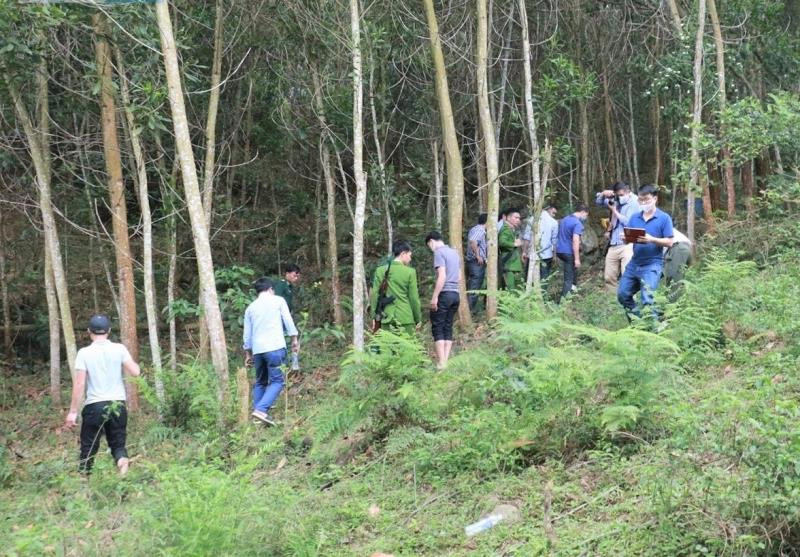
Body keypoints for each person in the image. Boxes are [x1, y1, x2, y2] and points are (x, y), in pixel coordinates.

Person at [64, 314, 140, 475]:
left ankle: (84, 487)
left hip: (95, 406)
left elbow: (79, 384)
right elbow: (135, 372)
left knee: (88, 448)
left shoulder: (84, 353)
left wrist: (72, 412)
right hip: (118, 404)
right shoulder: (119, 349)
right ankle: (123, 467)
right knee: (118, 445)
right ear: (109, 331)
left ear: (89, 331)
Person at [243, 277, 299, 426]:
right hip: (275, 347)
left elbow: (247, 335)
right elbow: (288, 320)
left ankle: (257, 417)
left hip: (258, 351)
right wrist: (294, 338)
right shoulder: (278, 301)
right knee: (277, 381)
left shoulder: (250, 308)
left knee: (260, 382)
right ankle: (261, 410)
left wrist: (248, 354)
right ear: (270, 289)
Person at [617, 184, 674, 319]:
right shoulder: (634, 218)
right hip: (634, 263)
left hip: (653, 263)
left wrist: (652, 239)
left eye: (646, 199)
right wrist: (625, 239)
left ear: (655, 199)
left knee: (648, 298)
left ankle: (652, 331)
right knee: (623, 295)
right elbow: (629, 240)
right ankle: (638, 323)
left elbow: (670, 242)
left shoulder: (664, 218)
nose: (643, 203)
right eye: (640, 200)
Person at [425, 231, 461, 369]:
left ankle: (442, 363)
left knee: (438, 327)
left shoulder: (439, 252)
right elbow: (458, 276)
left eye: (429, 245)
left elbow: (442, 276)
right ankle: (445, 361)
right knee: (448, 326)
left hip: (444, 294)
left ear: (431, 241)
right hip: (455, 294)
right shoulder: (454, 253)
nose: (431, 248)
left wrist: (435, 297)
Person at [369, 240, 422, 335]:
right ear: (403, 254)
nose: (410, 259)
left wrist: (374, 316)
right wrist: (417, 318)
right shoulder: (410, 272)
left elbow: (375, 295)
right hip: (405, 318)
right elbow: (414, 298)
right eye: (409, 255)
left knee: (387, 348)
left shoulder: (380, 270)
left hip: (386, 318)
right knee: (406, 349)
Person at [596, 182, 640, 290]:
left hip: (628, 242)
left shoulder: (635, 202)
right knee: (609, 276)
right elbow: (598, 202)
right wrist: (603, 194)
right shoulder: (616, 200)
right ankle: (613, 302)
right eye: (617, 195)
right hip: (614, 243)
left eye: (621, 195)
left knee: (627, 275)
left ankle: (629, 302)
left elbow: (629, 222)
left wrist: (615, 211)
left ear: (628, 192)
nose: (620, 198)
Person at [556, 204, 589, 301]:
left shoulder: (565, 219)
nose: (585, 218)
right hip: (568, 252)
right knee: (568, 279)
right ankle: (563, 302)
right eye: (586, 215)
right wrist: (577, 259)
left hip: (560, 251)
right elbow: (575, 241)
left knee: (574, 272)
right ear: (583, 212)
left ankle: (573, 293)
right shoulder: (577, 223)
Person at [521, 204, 559, 281]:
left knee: (529, 279)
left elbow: (527, 238)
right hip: (546, 255)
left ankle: (530, 292)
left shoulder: (532, 219)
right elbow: (554, 241)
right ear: (548, 209)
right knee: (544, 279)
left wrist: (524, 252)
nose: (554, 215)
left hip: (531, 254)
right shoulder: (554, 222)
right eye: (553, 212)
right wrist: (555, 255)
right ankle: (542, 292)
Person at [465, 213, 488, 312]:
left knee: (472, 285)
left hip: (472, 261)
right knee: (475, 285)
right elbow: (473, 241)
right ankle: (470, 310)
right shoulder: (480, 230)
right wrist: (478, 255)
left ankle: (469, 308)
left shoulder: (474, 228)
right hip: (476, 262)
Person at [498, 208, 523, 290]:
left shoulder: (512, 229)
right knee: (509, 288)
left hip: (513, 264)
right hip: (509, 264)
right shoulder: (506, 229)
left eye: (519, 218)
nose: (518, 220)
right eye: (516, 218)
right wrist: (514, 244)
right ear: (508, 218)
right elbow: (501, 242)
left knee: (514, 288)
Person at [664, 228, 692, 302]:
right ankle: (676, 307)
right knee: (678, 281)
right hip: (682, 248)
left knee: (673, 282)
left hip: (677, 248)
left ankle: (672, 311)